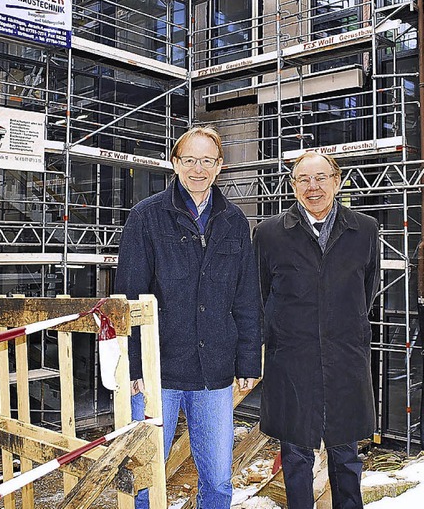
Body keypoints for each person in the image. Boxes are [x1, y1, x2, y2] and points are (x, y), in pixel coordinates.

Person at [115, 125, 262, 509]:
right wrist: (132, 366)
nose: (198, 169)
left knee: (217, 478)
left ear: (220, 166)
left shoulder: (234, 222)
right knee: (144, 474)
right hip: (156, 369)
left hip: (214, 369)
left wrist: (247, 358)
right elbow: (126, 298)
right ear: (175, 163)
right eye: (190, 160)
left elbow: (246, 297)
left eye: (207, 161)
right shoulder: (146, 217)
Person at [253, 151, 380, 509]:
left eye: (322, 178)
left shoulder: (365, 230)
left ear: (337, 181)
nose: (313, 187)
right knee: (295, 459)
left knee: (346, 458)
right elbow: (261, 296)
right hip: (292, 362)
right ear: (293, 186)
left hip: (345, 359)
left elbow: (364, 293)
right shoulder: (269, 234)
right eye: (304, 180)